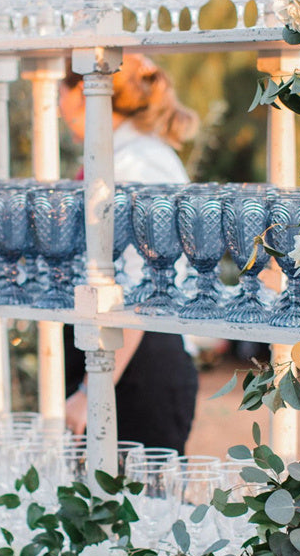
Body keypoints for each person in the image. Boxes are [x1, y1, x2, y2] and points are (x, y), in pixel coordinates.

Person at [59, 54, 200, 453]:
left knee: (141, 506)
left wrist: (92, 389)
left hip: (140, 363)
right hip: (116, 355)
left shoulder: (138, 163)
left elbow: (144, 285)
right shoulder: (120, 157)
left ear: (79, 94)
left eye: (60, 89)